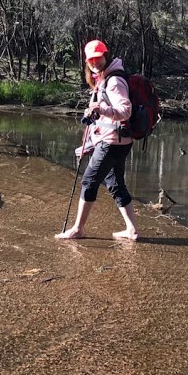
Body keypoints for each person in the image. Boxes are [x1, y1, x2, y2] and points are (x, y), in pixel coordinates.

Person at [55, 39, 140, 241]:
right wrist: (89, 143)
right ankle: (132, 230)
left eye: (98, 57)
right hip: (117, 140)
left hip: (111, 142)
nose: (95, 62)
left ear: (105, 55)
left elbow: (125, 111)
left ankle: (78, 229)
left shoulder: (114, 81)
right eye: (91, 59)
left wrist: (101, 109)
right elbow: (100, 119)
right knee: (115, 182)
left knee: (89, 181)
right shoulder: (105, 77)